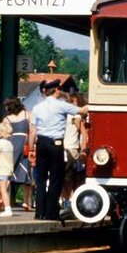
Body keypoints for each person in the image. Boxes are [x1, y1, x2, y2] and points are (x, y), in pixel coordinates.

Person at [28, 79, 87, 220]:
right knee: (56, 178)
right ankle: (51, 212)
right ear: (56, 90)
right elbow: (82, 110)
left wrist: (31, 149)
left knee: (41, 179)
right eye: (59, 88)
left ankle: (39, 212)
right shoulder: (62, 106)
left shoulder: (37, 108)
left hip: (41, 143)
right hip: (56, 144)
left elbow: (32, 130)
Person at [0, 98, 33, 211]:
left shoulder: (7, 119)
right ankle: (26, 201)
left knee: (7, 173)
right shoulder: (27, 114)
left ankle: (0, 199)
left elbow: (4, 133)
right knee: (26, 172)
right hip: (25, 144)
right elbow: (33, 130)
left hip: (12, 144)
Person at [61, 91, 89, 217]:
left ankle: (69, 199)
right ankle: (68, 199)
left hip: (69, 149)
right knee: (66, 177)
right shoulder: (69, 116)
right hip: (67, 148)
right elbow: (84, 135)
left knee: (67, 177)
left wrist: (83, 150)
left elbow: (84, 135)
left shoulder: (75, 117)